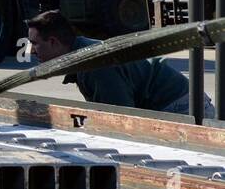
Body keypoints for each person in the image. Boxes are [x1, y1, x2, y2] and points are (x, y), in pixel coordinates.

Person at [26, 9, 215, 119]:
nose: (32, 51)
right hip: (177, 102)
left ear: (53, 42)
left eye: (35, 44)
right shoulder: (82, 56)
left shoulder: (94, 65)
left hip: (180, 107)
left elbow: (121, 117)